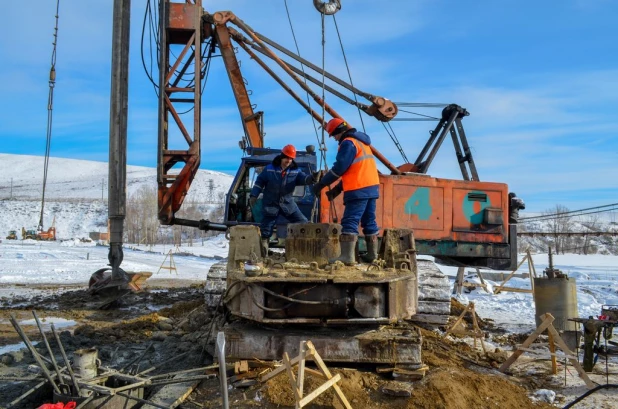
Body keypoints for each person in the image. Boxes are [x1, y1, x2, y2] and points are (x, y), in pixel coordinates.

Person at [313, 118, 380, 265]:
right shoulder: (361, 143)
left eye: (334, 135)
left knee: (350, 221)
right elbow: (354, 170)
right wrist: (336, 190)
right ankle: (373, 255)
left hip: (358, 189)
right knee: (369, 221)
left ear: (337, 132)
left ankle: (347, 257)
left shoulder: (348, 143)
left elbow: (340, 167)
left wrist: (321, 184)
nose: (335, 139)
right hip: (371, 187)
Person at [249, 144, 319, 255]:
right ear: (282, 156)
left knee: (303, 223)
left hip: (288, 204)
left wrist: (313, 178)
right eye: (287, 157)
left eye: (291, 158)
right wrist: (254, 195)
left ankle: (305, 250)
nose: (289, 160)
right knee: (266, 229)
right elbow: (259, 182)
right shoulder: (269, 169)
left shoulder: (295, 171)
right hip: (271, 204)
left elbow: (304, 179)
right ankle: (263, 251)